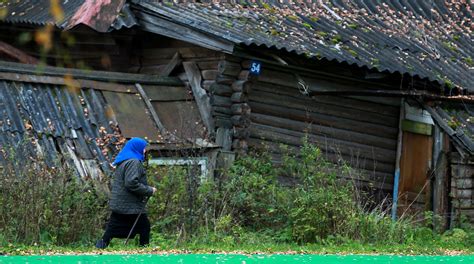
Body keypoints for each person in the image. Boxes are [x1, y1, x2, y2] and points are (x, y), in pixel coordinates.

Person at [96, 137, 156, 248]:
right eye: (143, 148)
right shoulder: (134, 162)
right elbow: (131, 183)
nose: (145, 151)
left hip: (122, 202)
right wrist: (149, 190)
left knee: (113, 227)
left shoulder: (124, 160)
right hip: (130, 204)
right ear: (137, 148)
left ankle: (100, 246)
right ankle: (144, 250)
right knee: (144, 226)